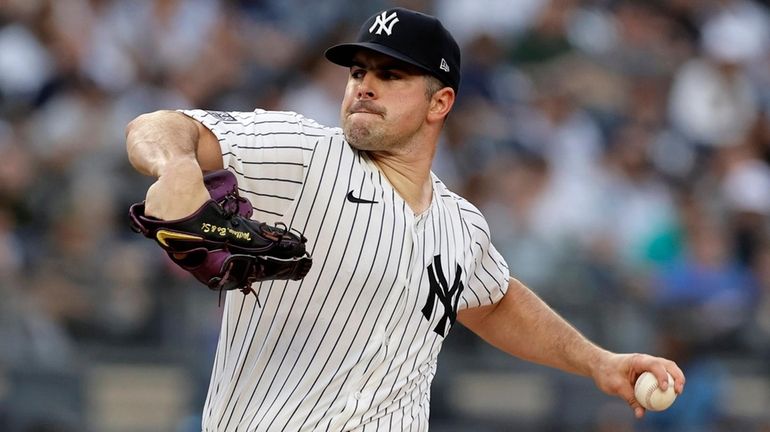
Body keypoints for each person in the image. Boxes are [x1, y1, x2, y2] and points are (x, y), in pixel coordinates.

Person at [125, 8, 685, 431]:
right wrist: (175, 164)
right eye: (359, 71)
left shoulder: (460, 224)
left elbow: (493, 300)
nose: (364, 85)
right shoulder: (302, 153)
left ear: (439, 103)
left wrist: (597, 361)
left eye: (391, 75)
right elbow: (159, 125)